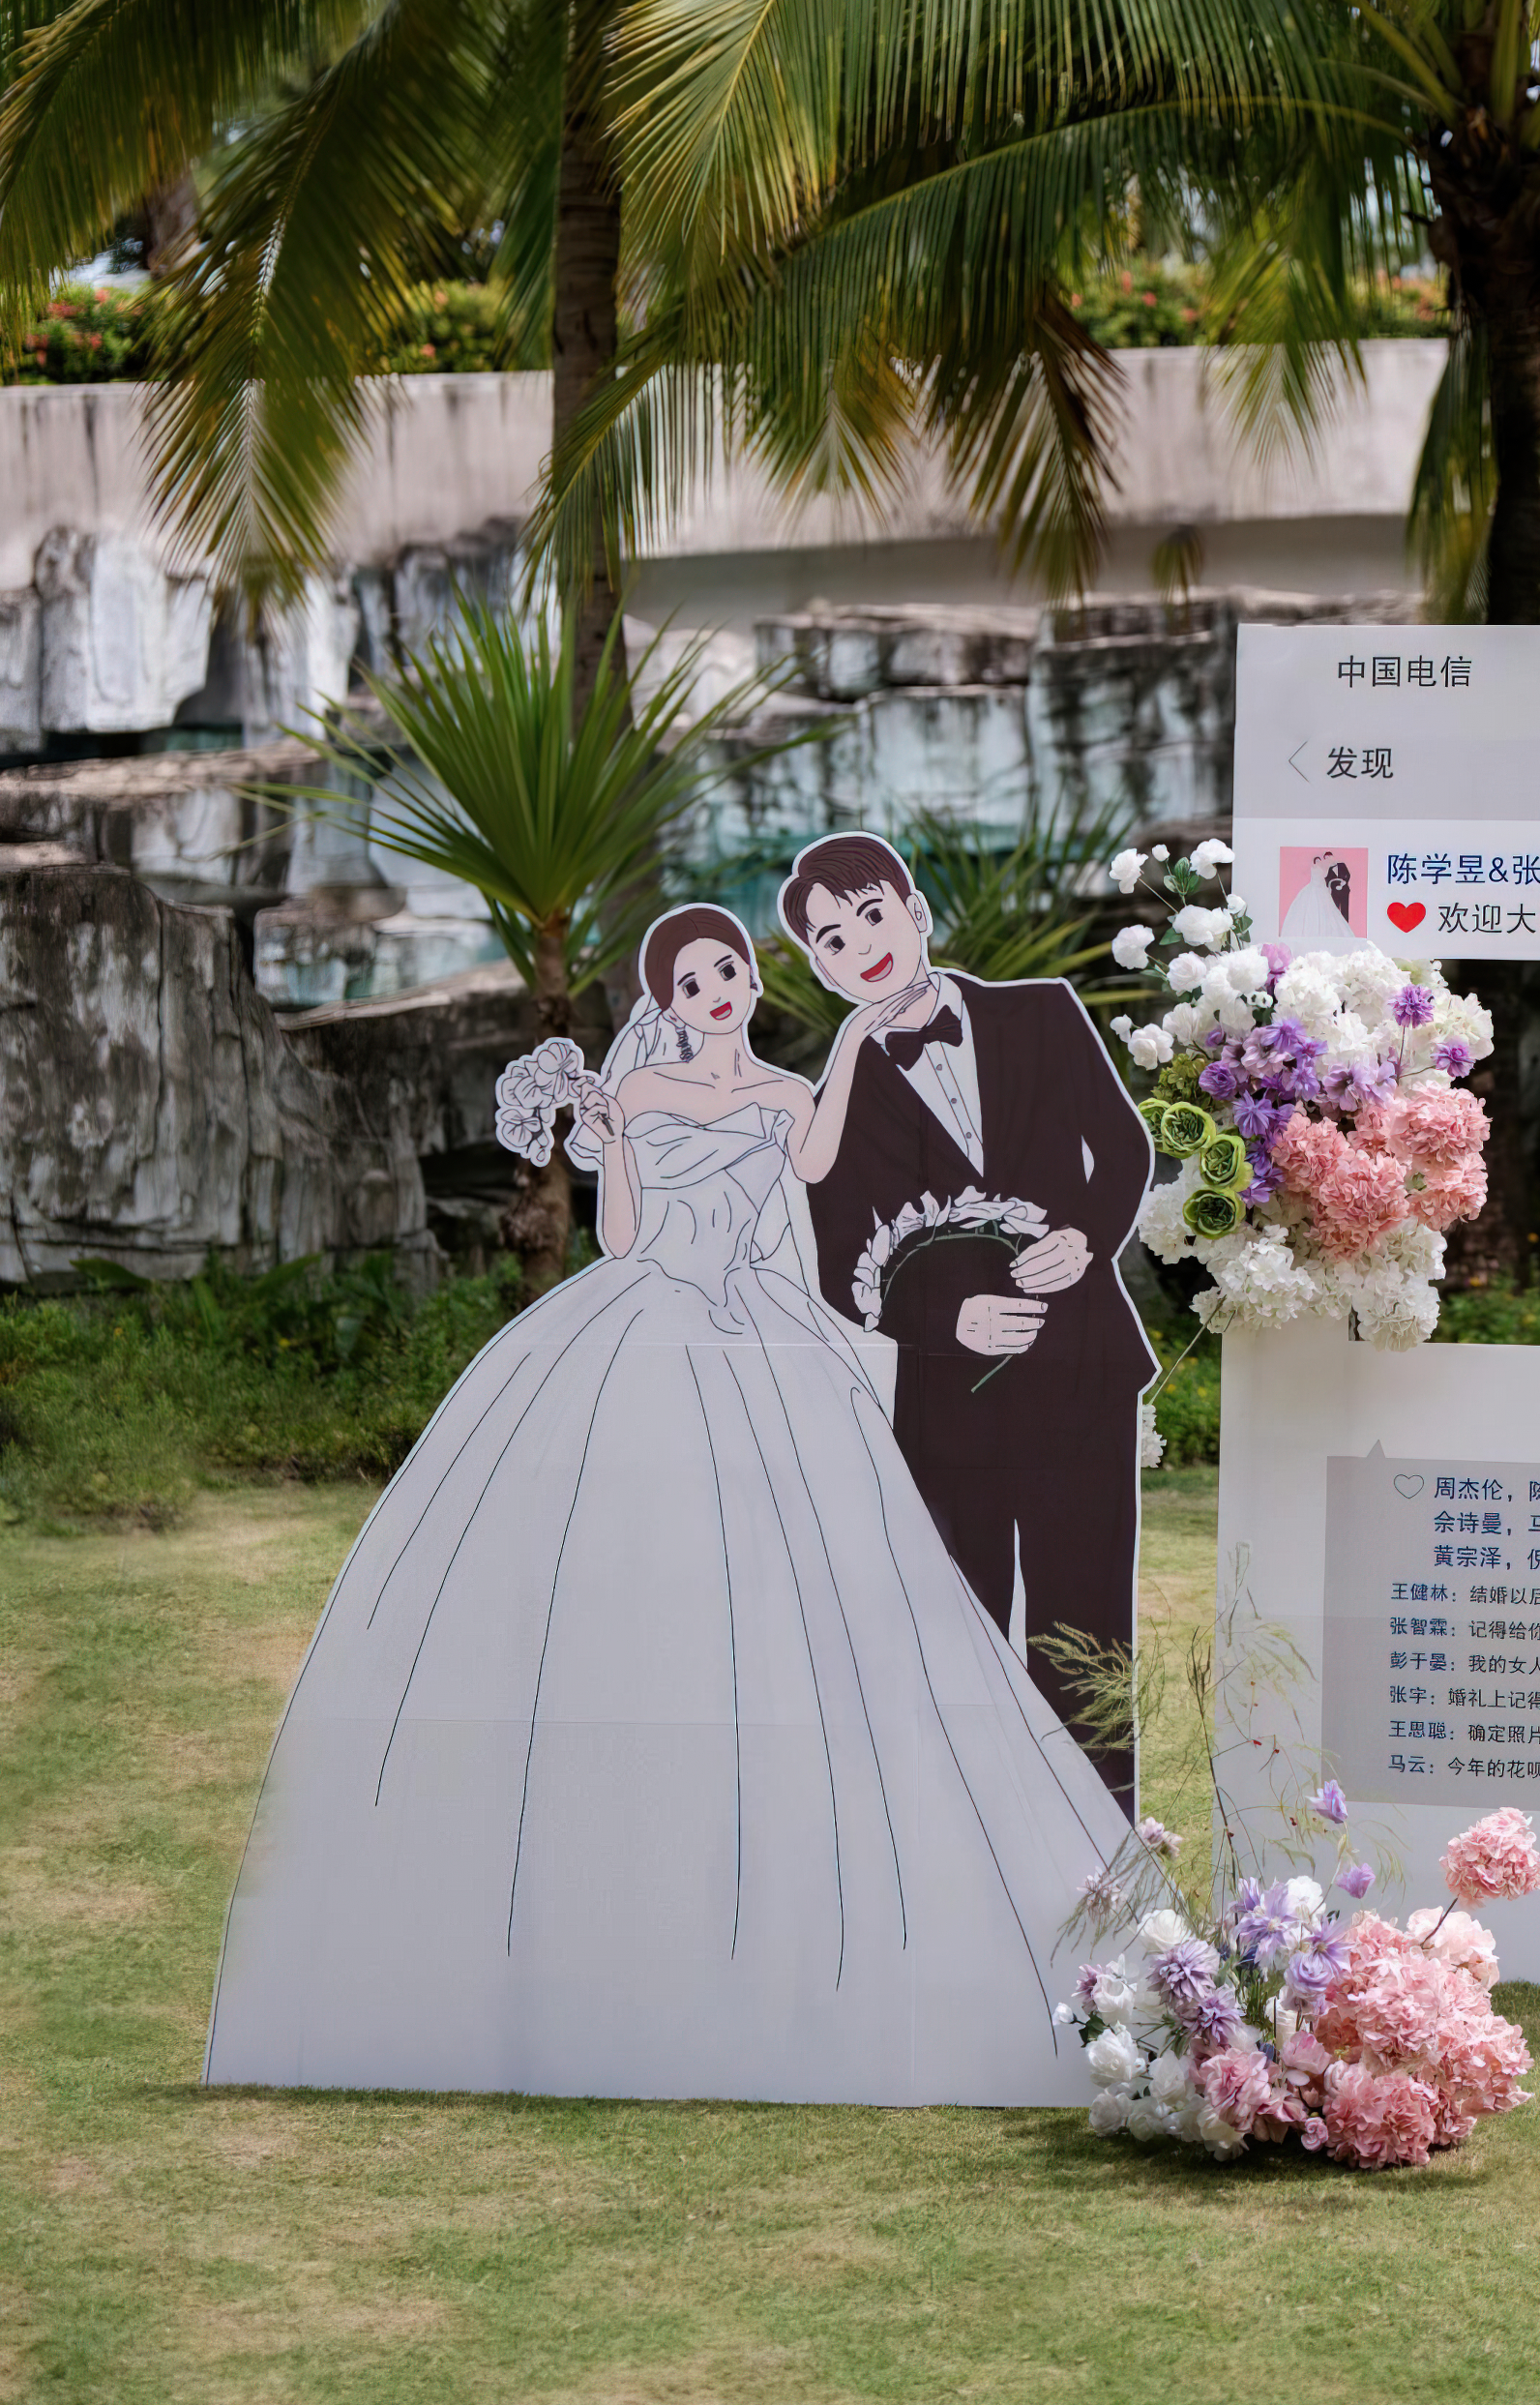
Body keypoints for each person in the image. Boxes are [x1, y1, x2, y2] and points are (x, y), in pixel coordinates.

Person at [204, 905, 1136, 2106]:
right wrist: (612, 1136)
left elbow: (808, 1177)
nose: (717, 987)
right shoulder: (638, 1102)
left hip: (765, 1333)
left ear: (751, 980)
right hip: (650, 1325)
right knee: (636, 1583)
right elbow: (625, 1239)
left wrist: (851, 1045)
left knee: (825, 1601)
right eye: (693, 975)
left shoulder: (797, 1094)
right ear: (667, 996)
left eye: (731, 967)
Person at [785, 834, 1156, 1810]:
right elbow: (836, 1258)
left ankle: (1105, 1841)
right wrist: (949, 1315)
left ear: (916, 909)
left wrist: (1084, 1238)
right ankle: (973, 1848)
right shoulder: (837, 1097)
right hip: (948, 1402)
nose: (859, 943)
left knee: (1088, 1620)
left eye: (871, 913)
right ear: (818, 967)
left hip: (1084, 1365)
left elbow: (1121, 1150)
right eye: (831, 938)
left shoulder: (1042, 1011)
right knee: (958, 1620)